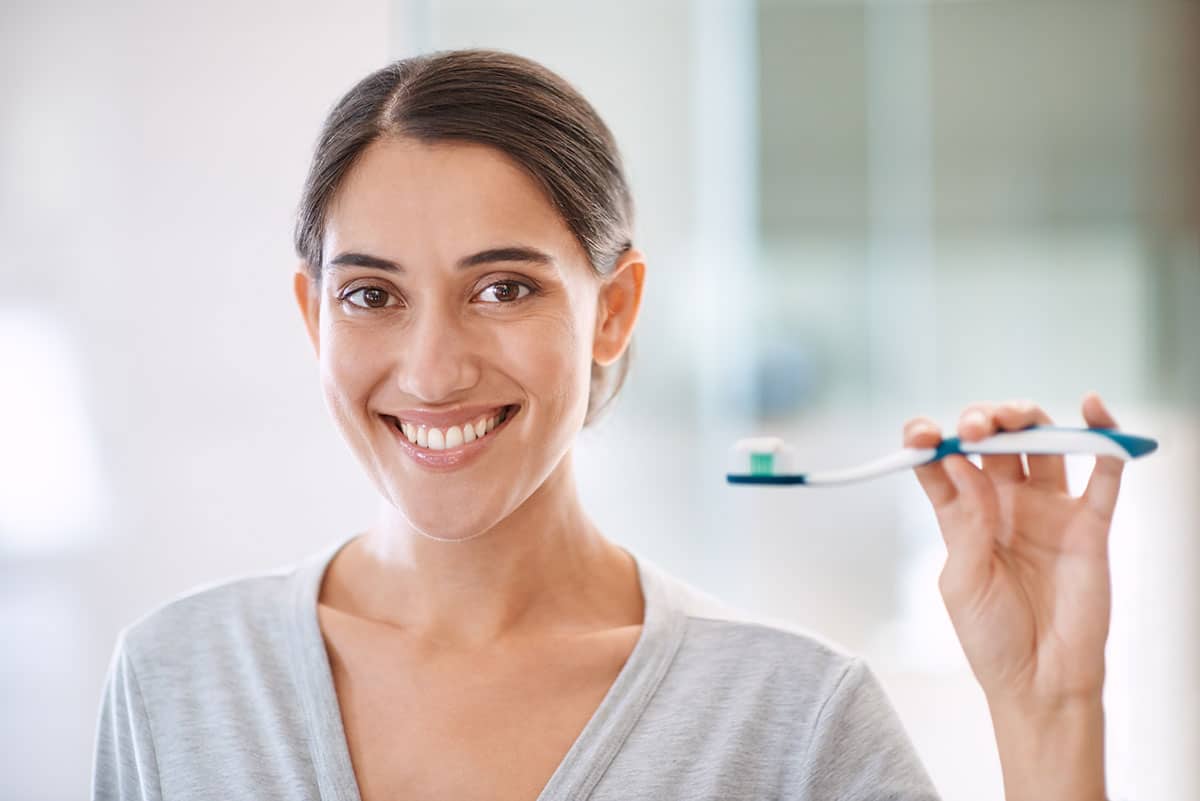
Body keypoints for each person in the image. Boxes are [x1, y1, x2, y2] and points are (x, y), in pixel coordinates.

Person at [92, 49, 1124, 801]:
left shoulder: (787, 721)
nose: (433, 368)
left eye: (502, 289)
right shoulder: (178, 683)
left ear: (615, 310)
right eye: (371, 296)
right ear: (314, 314)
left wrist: (1048, 711)